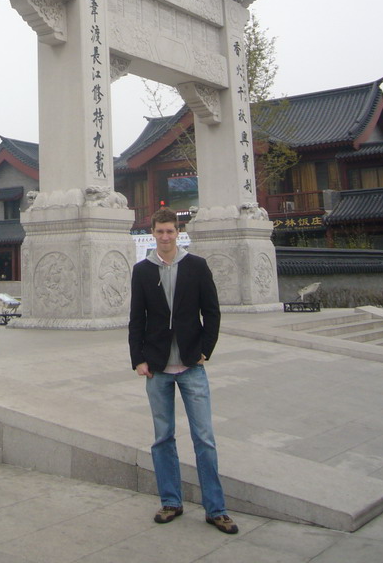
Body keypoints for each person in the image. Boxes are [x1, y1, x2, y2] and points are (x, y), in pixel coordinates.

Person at [128, 207, 238, 535]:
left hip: (191, 365)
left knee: (204, 437)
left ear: (179, 233)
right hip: (158, 367)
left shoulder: (196, 266)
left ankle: (216, 509)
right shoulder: (143, 270)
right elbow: (137, 318)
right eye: (160, 232)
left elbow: (212, 312)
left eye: (170, 232)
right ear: (153, 233)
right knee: (163, 438)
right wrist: (138, 359)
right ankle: (171, 501)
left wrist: (205, 349)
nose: (165, 238)